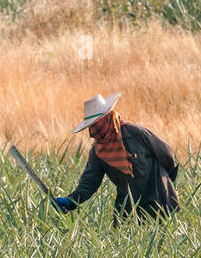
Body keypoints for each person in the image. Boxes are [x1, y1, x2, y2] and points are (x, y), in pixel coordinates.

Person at [54, 93, 179, 224]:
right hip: (128, 209)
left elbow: (167, 155)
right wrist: (70, 201)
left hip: (160, 203)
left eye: (97, 123)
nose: (94, 129)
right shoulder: (98, 151)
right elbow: (89, 182)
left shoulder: (136, 133)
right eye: (91, 126)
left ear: (108, 117)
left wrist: (166, 181)